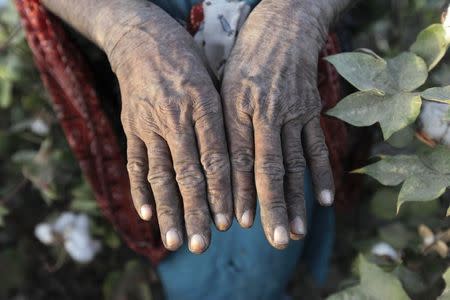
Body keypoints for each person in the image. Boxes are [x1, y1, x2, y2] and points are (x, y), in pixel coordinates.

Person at [15, 0, 352, 298]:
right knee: (192, 240)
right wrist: (126, 29)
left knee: (265, 233)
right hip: (134, 58)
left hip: (283, 64)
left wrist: (297, 15)